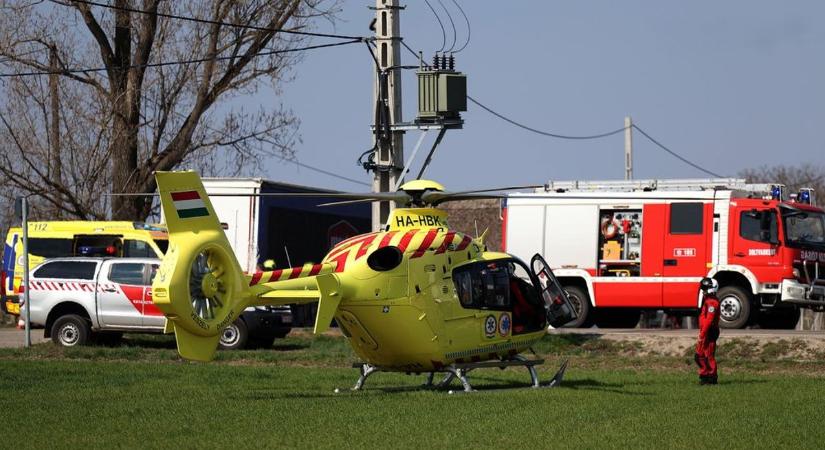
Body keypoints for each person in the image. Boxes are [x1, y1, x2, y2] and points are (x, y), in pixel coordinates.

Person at [695, 277, 721, 385]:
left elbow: (709, 320)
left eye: (705, 288)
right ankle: (704, 375)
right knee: (699, 356)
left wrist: (702, 334)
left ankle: (711, 377)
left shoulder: (712, 303)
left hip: (709, 331)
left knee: (708, 355)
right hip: (705, 331)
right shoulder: (708, 300)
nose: (703, 291)